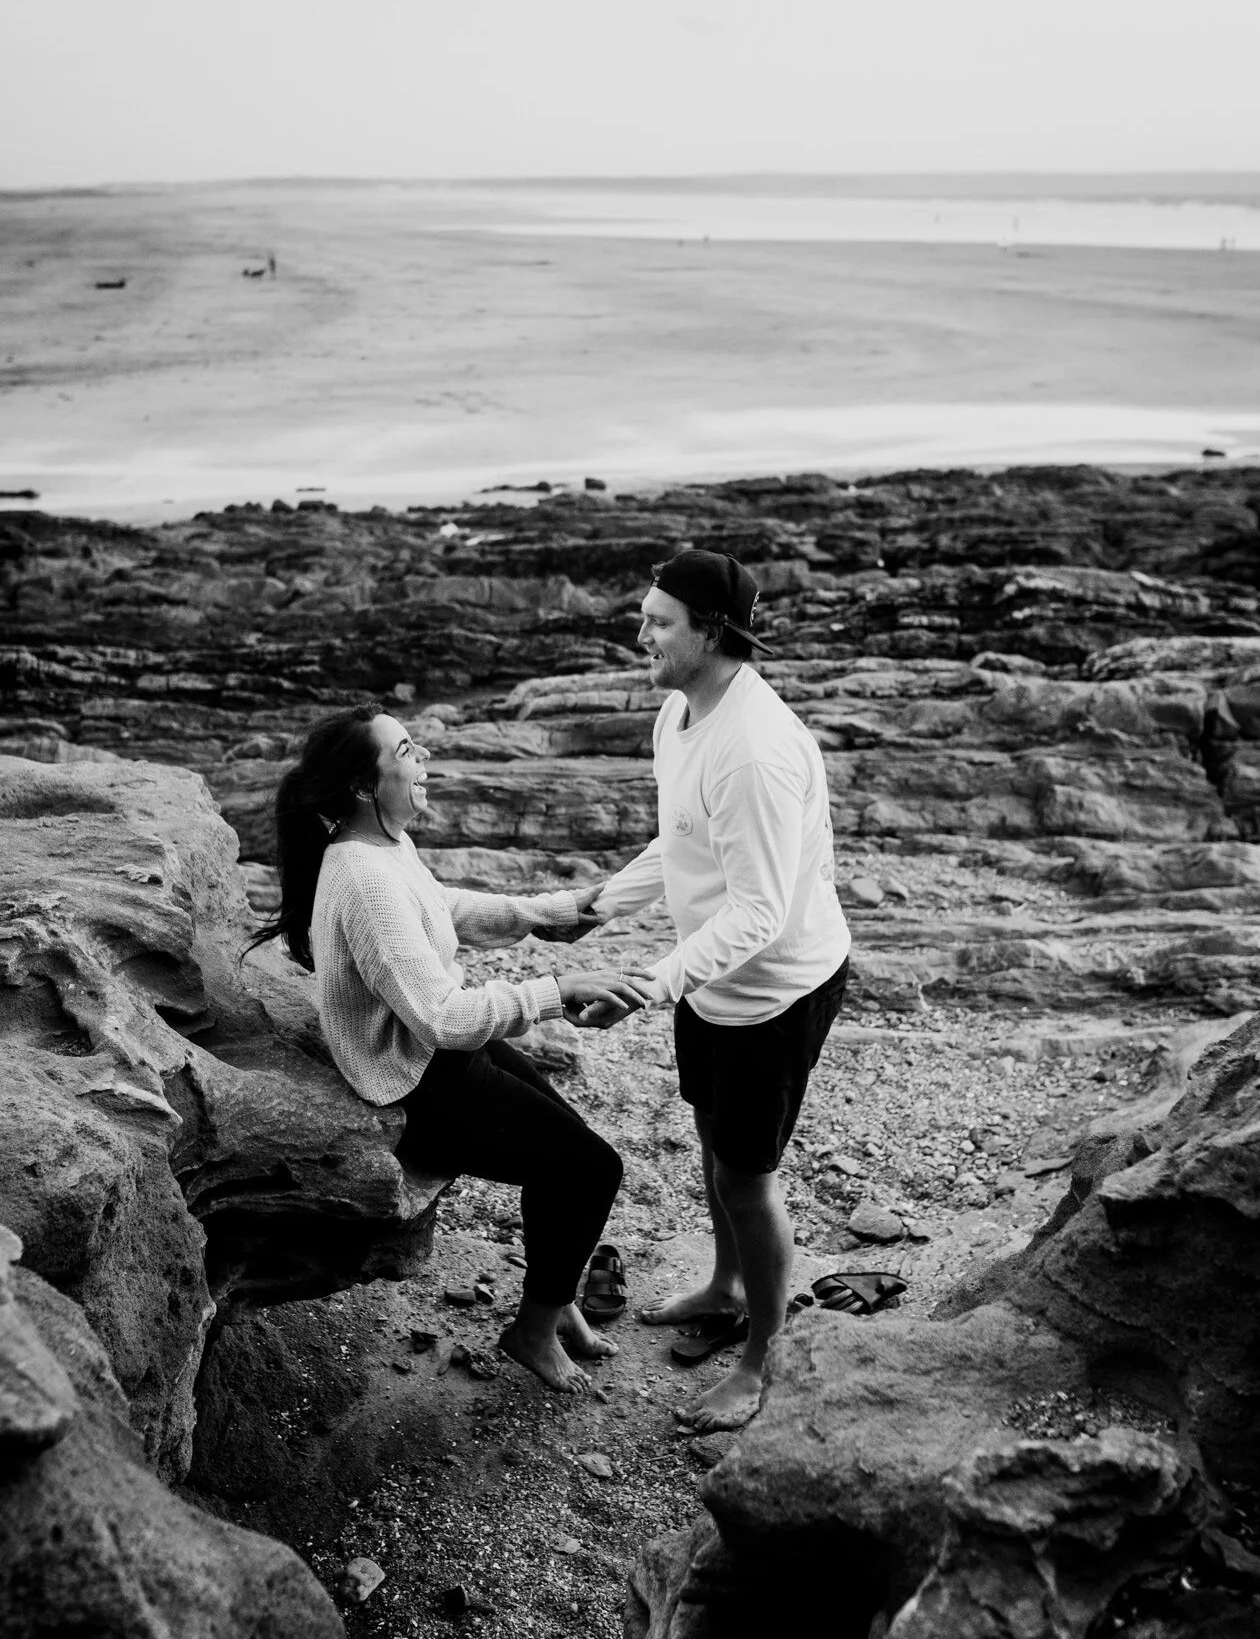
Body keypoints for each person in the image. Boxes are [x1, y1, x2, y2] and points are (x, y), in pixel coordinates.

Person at [247, 703, 645, 1393]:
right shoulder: (362, 878)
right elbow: (441, 1018)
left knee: (574, 1146)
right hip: (413, 1072)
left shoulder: (381, 844)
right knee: (587, 1169)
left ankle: (555, 1306)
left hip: (442, 1053)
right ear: (366, 785)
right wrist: (556, 989)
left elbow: (441, 905)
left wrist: (546, 914)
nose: (423, 756)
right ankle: (530, 1332)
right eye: (406, 749)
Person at [589, 550, 851, 1432]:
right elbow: (680, 845)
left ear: (712, 632)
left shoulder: (755, 753)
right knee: (712, 1145)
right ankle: (724, 1285)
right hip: (708, 980)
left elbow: (764, 913)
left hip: (773, 991)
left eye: (660, 621)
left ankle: (761, 1359)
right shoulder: (679, 712)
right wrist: (596, 906)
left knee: (748, 1178)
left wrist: (650, 983)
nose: (642, 631)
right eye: (646, 614)